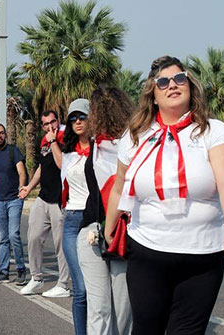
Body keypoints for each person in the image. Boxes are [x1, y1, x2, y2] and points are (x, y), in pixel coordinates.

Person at [105, 56, 224, 335]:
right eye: (163, 81)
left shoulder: (214, 131)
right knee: (146, 329)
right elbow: (119, 185)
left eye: (179, 78)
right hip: (148, 252)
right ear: (153, 94)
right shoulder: (135, 136)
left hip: (203, 255)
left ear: (190, 85)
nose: (172, 85)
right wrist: (108, 232)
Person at [76, 87, 134, 335]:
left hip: (120, 232)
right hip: (94, 230)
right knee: (112, 309)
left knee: (115, 311)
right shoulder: (96, 145)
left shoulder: (132, 144)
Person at [19, 110, 71, 298]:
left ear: (59, 120)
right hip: (43, 196)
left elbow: (61, 164)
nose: (50, 126)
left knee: (60, 244)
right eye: (46, 123)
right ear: (41, 126)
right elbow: (41, 168)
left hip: (60, 199)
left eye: (53, 122)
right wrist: (28, 187)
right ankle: (36, 277)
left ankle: (63, 284)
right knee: (33, 237)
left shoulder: (65, 136)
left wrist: (54, 141)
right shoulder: (44, 141)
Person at [60, 98, 91, 335]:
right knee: (80, 288)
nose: (77, 121)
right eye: (72, 118)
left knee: (96, 287)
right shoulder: (68, 154)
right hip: (71, 220)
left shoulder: (103, 148)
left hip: (93, 221)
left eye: (82, 116)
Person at [0, 123, 28, 285]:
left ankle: (21, 269)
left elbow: (22, 171)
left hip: (14, 199)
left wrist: (21, 189)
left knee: (13, 235)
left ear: (5, 135)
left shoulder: (13, 151)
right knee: (3, 238)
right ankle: (3, 270)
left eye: (1, 133)